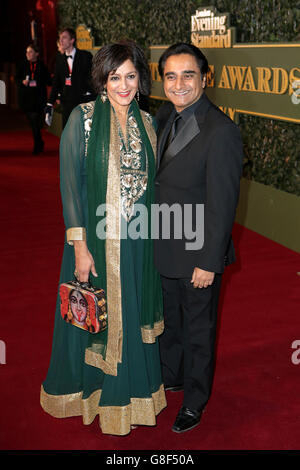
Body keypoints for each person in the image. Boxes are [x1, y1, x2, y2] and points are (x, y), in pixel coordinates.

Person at [40, 40, 166, 436]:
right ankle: (98, 397)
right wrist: (79, 246)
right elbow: (71, 184)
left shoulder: (149, 123)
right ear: (103, 80)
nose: (123, 85)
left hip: (138, 244)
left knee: (132, 315)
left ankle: (134, 396)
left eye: (130, 76)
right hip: (95, 243)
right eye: (115, 77)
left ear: (140, 79)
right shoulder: (84, 117)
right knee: (96, 320)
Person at [154, 43, 243, 433]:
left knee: (198, 330)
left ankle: (194, 400)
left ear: (204, 78)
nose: (179, 84)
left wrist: (209, 260)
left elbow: (223, 204)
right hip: (162, 243)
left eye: (188, 75)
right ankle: (172, 377)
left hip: (197, 253)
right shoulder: (161, 116)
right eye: (171, 76)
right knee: (170, 322)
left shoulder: (221, 131)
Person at [45, 28, 95, 128]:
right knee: (68, 134)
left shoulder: (85, 56)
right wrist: (50, 104)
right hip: (67, 103)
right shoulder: (59, 59)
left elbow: (93, 77)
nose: (61, 41)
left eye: (64, 37)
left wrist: (90, 92)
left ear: (72, 40)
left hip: (83, 101)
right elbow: (56, 83)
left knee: (85, 134)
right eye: (60, 38)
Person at [16, 44, 51, 154]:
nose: (28, 54)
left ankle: (38, 144)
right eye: (27, 52)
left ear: (37, 54)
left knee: (36, 122)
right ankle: (39, 142)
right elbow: (16, 79)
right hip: (27, 98)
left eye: (30, 52)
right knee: (33, 122)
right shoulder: (22, 65)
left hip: (39, 99)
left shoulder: (41, 66)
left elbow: (48, 81)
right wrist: (22, 81)